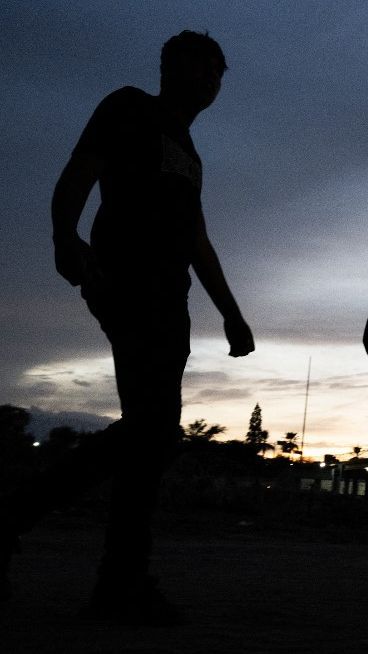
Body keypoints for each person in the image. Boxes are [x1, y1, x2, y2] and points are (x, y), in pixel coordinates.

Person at [0, 30, 254, 625]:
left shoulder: (190, 153)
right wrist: (66, 234)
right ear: (171, 68)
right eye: (201, 68)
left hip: (172, 299)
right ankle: (24, 524)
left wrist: (231, 311)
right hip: (124, 283)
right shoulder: (129, 107)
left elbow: (197, 240)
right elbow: (78, 174)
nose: (210, 81)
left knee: (152, 438)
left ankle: (118, 582)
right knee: (152, 428)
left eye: (218, 74)